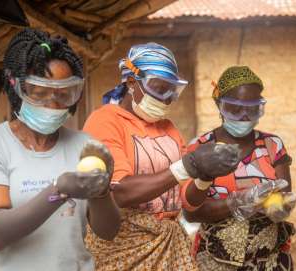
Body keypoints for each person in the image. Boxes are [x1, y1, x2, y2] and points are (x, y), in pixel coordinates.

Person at [0, 28, 120, 271]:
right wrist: (58, 192)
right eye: (40, 93)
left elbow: (109, 232)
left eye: (64, 95)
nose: (53, 105)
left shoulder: (85, 147)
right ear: (15, 86)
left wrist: (101, 192)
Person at [83, 43, 241, 270]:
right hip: (122, 249)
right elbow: (120, 192)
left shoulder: (169, 128)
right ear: (131, 82)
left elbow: (187, 200)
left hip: (169, 245)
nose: (167, 99)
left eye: (172, 91)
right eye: (159, 88)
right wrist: (188, 166)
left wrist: (205, 176)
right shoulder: (105, 121)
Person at [184, 66, 296, 270]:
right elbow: (191, 213)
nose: (244, 116)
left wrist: (279, 207)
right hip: (216, 261)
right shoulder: (201, 149)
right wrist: (239, 202)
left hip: (270, 259)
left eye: (252, 108)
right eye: (235, 108)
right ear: (219, 104)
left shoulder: (272, 145)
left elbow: (283, 196)